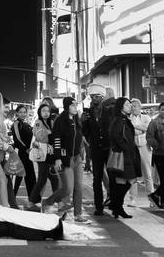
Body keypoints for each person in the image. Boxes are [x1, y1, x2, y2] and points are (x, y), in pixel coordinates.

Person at [40, 96, 86, 222]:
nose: (75, 107)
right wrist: (58, 158)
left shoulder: (77, 119)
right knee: (67, 188)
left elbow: (79, 138)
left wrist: (82, 154)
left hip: (77, 158)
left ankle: (78, 214)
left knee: (79, 187)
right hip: (65, 159)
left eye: (76, 105)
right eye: (73, 105)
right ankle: (48, 202)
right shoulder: (60, 120)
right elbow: (56, 140)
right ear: (67, 107)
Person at [107, 96, 143, 219]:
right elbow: (114, 136)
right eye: (127, 105)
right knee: (127, 181)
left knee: (125, 182)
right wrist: (126, 147)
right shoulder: (119, 120)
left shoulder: (123, 119)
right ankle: (117, 206)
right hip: (124, 155)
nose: (130, 107)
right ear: (121, 107)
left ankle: (117, 207)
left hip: (128, 154)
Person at [82, 85, 116, 216]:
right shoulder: (87, 113)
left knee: (112, 176)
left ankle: (114, 203)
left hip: (109, 148)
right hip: (95, 149)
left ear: (102, 98)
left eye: (97, 97)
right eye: (92, 97)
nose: (94, 99)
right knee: (97, 179)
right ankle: (98, 206)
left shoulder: (110, 111)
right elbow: (85, 132)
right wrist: (83, 122)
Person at [27, 103, 59, 210]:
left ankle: (58, 202)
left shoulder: (52, 122)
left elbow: (56, 136)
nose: (46, 113)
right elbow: (41, 137)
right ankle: (31, 202)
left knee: (54, 180)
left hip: (50, 154)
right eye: (43, 111)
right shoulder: (38, 123)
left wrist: (50, 134)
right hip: (42, 154)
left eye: (48, 111)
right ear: (40, 112)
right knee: (42, 180)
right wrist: (50, 134)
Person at [146, 102, 164, 209]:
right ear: (159, 110)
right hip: (160, 155)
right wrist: (156, 145)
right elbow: (149, 137)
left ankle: (156, 195)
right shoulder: (154, 122)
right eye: (163, 109)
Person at [128, 98, 153, 206]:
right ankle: (132, 198)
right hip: (133, 147)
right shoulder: (128, 118)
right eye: (131, 106)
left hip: (144, 146)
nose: (133, 108)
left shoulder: (146, 117)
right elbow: (130, 131)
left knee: (147, 173)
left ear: (140, 107)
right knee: (133, 174)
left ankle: (152, 198)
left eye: (135, 106)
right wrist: (139, 129)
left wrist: (134, 126)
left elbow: (147, 128)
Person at [10, 105, 36, 203]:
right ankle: (11, 200)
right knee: (17, 178)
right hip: (20, 153)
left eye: (24, 112)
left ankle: (32, 200)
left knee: (31, 177)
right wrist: (26, 149)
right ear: (16, 113)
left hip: (28, 155)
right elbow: (17, 139)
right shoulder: (16, 124)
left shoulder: (26, 124)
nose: (22, 114)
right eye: (20, 112)